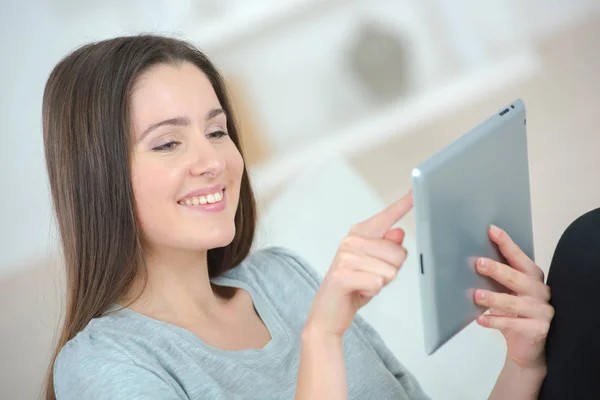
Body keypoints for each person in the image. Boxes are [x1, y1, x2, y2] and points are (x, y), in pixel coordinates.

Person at [42, 34, 555, 400]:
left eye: (217, 132)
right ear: (99, 178)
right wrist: (322, 338)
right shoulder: (102, 366)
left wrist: (523, 363)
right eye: (169, 143)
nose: (215, 161)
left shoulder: (282, 277)